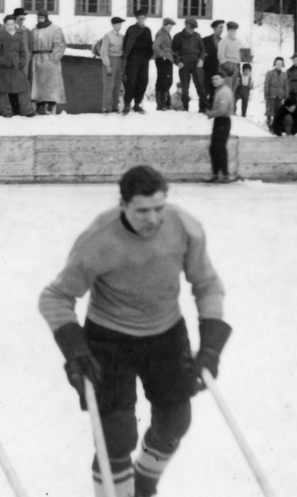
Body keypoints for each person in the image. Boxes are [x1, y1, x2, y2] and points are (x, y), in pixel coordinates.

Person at [39, 166, 232, 496]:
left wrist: (211, 345)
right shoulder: (99, 239)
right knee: (117, 435)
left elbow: (207, 284)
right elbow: (55, 297)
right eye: (143, 211)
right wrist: (75, 349)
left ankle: (142, 484)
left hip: (166, 333)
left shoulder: (185, 227)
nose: (153, 219)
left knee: (175, 423)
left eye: (160, 208)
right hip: (109, 339)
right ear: (124, 205)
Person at [29, 8, 67, 116]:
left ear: (46, 17)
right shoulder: (34, 30)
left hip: (49, 59)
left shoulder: (55, 29)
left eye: (42, 17)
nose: (40, 19)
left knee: (51, 84)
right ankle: (40, 106)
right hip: (37, 59)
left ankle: (51, 105)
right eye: (38, 17)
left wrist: (54, 58)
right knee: (38, 84)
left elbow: (60, 44)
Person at [0, 14, 33, 117]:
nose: (10, 26)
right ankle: (7, 112)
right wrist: (4, 62)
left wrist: (22, 62)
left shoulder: (19, 36)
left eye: (12, 24)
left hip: (16, 66)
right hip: (4, 67)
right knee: (4, 89)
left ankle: (27, 110)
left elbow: (23, 52)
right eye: (8, 24)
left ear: (15, 24)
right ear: (4, 25)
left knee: (24, 86)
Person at [206, 65, 236, 182]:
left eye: (217, 79)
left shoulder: (224, 92)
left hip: (223, 121)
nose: (214, 81)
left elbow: (222, 110)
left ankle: (224, 174)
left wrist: (210, 113)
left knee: (219, 148)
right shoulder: (219, 90)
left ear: (223, 79)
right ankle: (217, 174)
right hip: (220, 121)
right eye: (213, 79)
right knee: (215, 148)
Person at [123, 8, 154, 115]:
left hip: (144, 60)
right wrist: (129, 56)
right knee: (131, 81)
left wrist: (148, 57)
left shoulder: (147, 30)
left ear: (145, 18)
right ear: (136, 18)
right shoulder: (131, 29)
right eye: (139, 18)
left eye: (143, 18)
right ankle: (127, 104)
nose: (141, 20)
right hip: (133, 58)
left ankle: (137, 103)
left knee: (143, 81)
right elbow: (126, 45)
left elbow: (150, 45)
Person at [171, 18, 206, 112]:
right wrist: (177, 62)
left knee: (200, 84)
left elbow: (202, 49)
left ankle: (202, 108)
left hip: (196, 61)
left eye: (193, 28)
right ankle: (185, 108)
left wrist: (201, 59)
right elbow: (174, 51)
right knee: (184, 86)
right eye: (191, 27)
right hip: (184, 61)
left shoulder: (197, 36)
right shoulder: (178, 36)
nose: (192, 30)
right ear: (186, 25)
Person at [201, 20, 226, 111]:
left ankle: (212, 107)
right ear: (214, 28)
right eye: (220, 27)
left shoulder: (223, 41)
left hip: (218, 69)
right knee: (205, 88)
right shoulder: (205, 40)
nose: (222, 29)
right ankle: (202, 107)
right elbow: (201, 53)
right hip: (207, 68)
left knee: (215, 89)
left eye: (223, 27)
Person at [152, 18, 176, 111]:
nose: (170, 28)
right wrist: (163, 55)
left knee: (168, 81)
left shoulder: (166, 33)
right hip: (162, 60)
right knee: (163, 80)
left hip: (167, 59)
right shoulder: (161, 33)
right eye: (168, 26)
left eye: (171, 26)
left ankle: (165, 103)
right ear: (164, 25)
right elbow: (155, 46)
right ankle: (160, 104)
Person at [217, 21, 243, 95]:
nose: (233, 32)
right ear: (228, 30)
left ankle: (230, 105)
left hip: (235, 66)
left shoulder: (237, 42)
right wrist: (227, 68)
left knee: (233, 88)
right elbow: (220, 55)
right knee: (226, 88)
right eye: (231, 30)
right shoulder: (223, 41)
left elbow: (239, 55)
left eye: (234, 30)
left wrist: (238, 66)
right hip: (226, 66)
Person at [263, 57, 288, 126]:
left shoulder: (284, 74)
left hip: (280, 96)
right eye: (277, 64)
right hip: (271, 95)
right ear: (275, 64)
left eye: (280, 64)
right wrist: (266, 95)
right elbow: (266, 84)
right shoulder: (270, 73)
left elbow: (286, 86)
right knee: (270, 111)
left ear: (282, 65)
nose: (279, 65)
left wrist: (286, 97)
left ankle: (277, 125)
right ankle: (268, 123)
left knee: (278, 111)